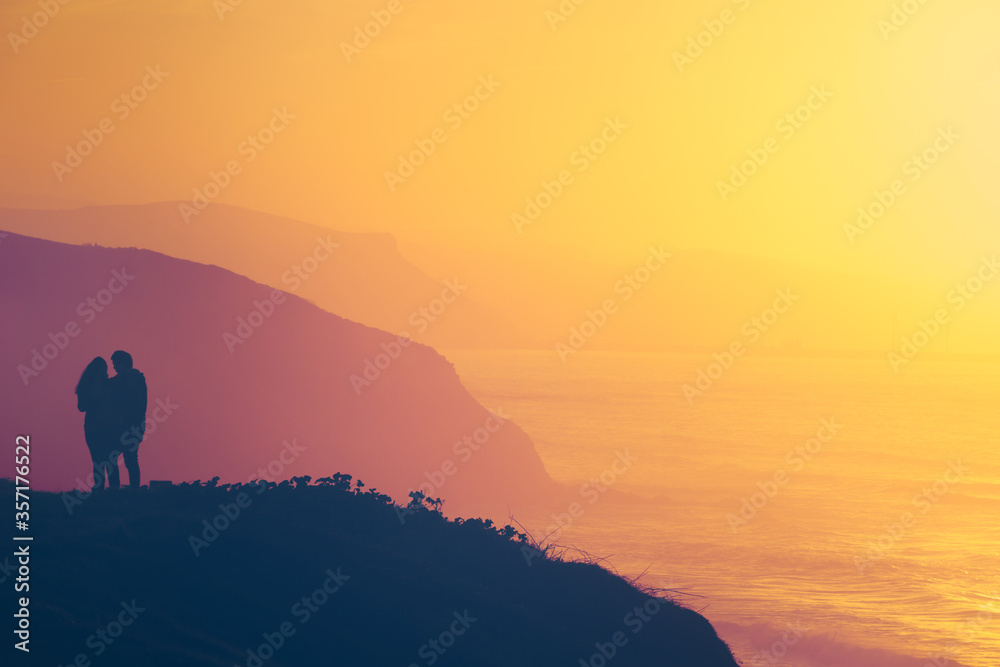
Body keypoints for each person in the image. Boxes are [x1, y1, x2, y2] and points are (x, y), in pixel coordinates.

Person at [75, 357, 121, 491]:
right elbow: (81, 407)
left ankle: (113, 488)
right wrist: (94, 398)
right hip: (94, 428)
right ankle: (101, 488)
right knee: (98, 460)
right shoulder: (86, 387)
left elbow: (117, 405)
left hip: (108, 427)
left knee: (110, 460)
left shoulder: (109, 385)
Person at [110, 350, 147, 488]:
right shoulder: (139, 378)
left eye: (115, 364)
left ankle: (115, 489)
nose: (113, 367)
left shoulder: (124, 377)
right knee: (131, 459)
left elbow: (109, 385)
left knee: (113, 457)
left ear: (122, 363)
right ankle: (134, 489)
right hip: (137, 425)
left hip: (125, 425)